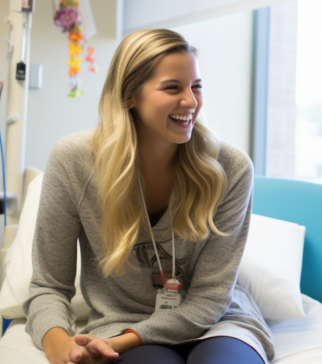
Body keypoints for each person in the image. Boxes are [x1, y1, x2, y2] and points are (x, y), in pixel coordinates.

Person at [22, 29, 274, 364]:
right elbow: (49, 287)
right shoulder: (74, 162)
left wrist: (126, 342)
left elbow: (211, 297)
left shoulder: (229, 168)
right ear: (129, 95)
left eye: (196, 86)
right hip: (123, 324)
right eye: (173, 87)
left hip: (219, 324)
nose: (192, 101)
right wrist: (60, 347)